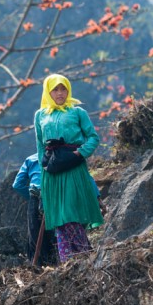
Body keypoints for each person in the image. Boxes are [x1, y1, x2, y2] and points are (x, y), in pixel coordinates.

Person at [34, 74, 104, 263]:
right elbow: (40, 147)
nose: (59, 93)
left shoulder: (78, 112)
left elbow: (93, 137)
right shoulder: (40, 115)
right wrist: (44, 174)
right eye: (55, 89)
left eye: (63, 89)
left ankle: (84, 255)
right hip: (52, 173)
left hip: (73, 168)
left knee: (71, 214)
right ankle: (72, 262)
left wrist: (79, 153)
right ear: (48, 91)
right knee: (60, 220)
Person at [12, 153, 58, 265]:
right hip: (55, 196)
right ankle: (57, 261)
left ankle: (41, 264)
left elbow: (17, 185)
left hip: (35, 196)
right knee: (55, 231)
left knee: (35, 234)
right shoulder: (60, 156)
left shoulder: (30, 159)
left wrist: (32, 197)